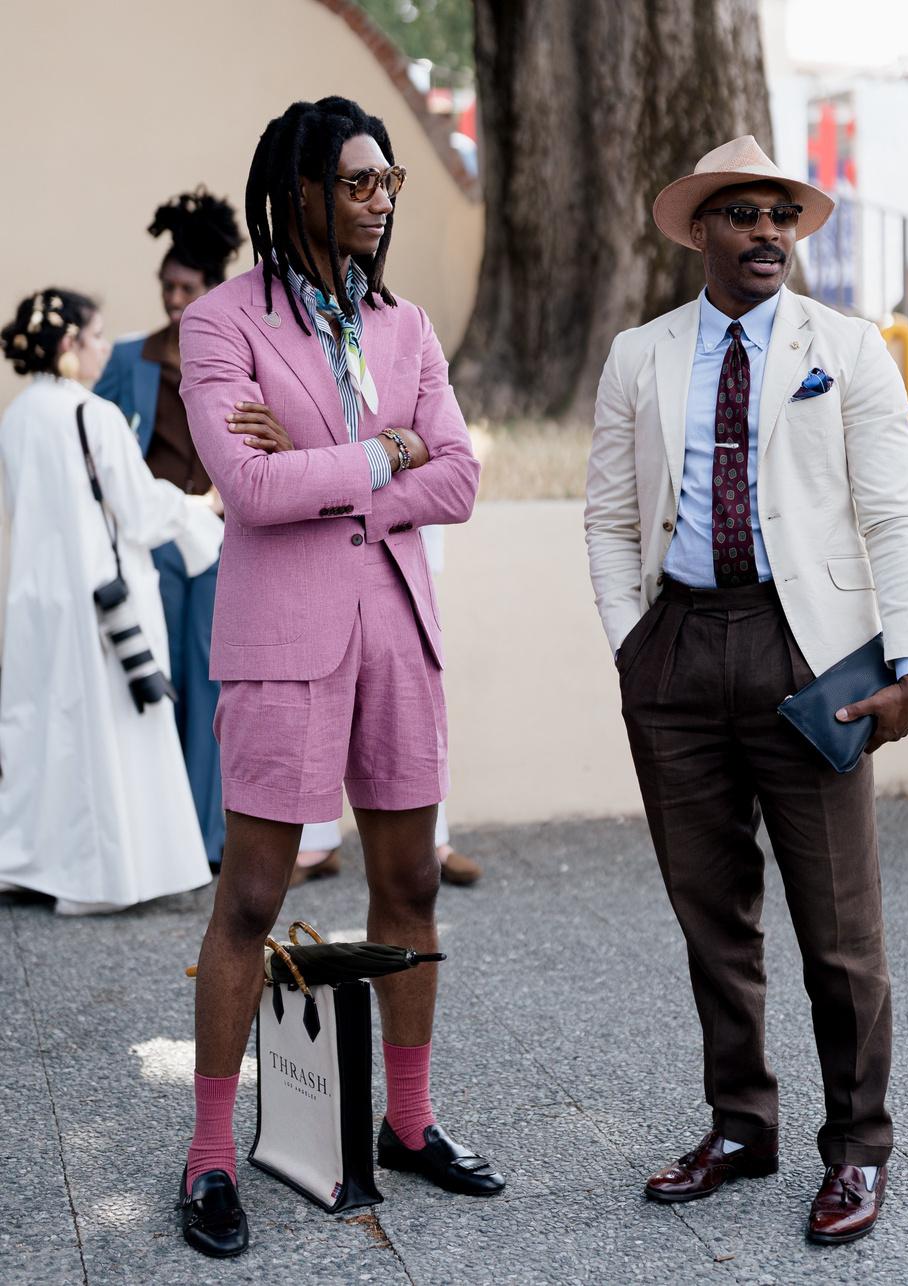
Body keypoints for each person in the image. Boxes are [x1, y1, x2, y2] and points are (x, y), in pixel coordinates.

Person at [585, 136, 908, 1247]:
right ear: (700, 230)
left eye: (780, 215)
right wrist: (634, 647)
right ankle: (741, 1125)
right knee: (712, 919)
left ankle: (858, 1145)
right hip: (678, 650)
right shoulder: (639, 355)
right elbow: (608, 516)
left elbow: (892, 515)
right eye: (741, 214)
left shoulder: (850, 349)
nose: (766, 232)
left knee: (839, 928)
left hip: (811, 655)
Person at [175, 96, 503, 1259]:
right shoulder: (221, 324)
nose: (380, 201)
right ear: (300, 191)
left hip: (398, 631)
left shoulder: (404, 324)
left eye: (389, 182)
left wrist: (336, 465)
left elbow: (459, 476)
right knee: (252, 897)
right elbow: (247, 488)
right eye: (359, 183)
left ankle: (408, 1122)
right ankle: (210, 1155)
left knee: (407, 878)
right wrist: (382, 451)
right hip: (283, 644)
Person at [0, 289, 222, 914]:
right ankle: (104, 878)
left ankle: (33, 863)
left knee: (44, 729)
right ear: (69, 345)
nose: (105, 347)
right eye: (97, 336)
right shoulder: (92, 415)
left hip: (37, 599)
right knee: (111, 731)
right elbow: (141, 510)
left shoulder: (16, 417)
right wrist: (201, 507)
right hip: (102, 598)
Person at [95, 189, 243, 869]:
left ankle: (207, 841)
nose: (174, 300)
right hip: (154, 543)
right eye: (167, 287)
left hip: (218, 544)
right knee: (162, 680)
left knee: (213, 687)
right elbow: (96, 440)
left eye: (186, 288)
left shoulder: (236, 355)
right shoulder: (130, 360)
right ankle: (160, 838)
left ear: (212, 288)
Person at [292, 525, 482, 889]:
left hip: (404, 546)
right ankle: (314, 843)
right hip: (317, 545)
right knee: (318, 703)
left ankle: (434, 841)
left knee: (412, 714)